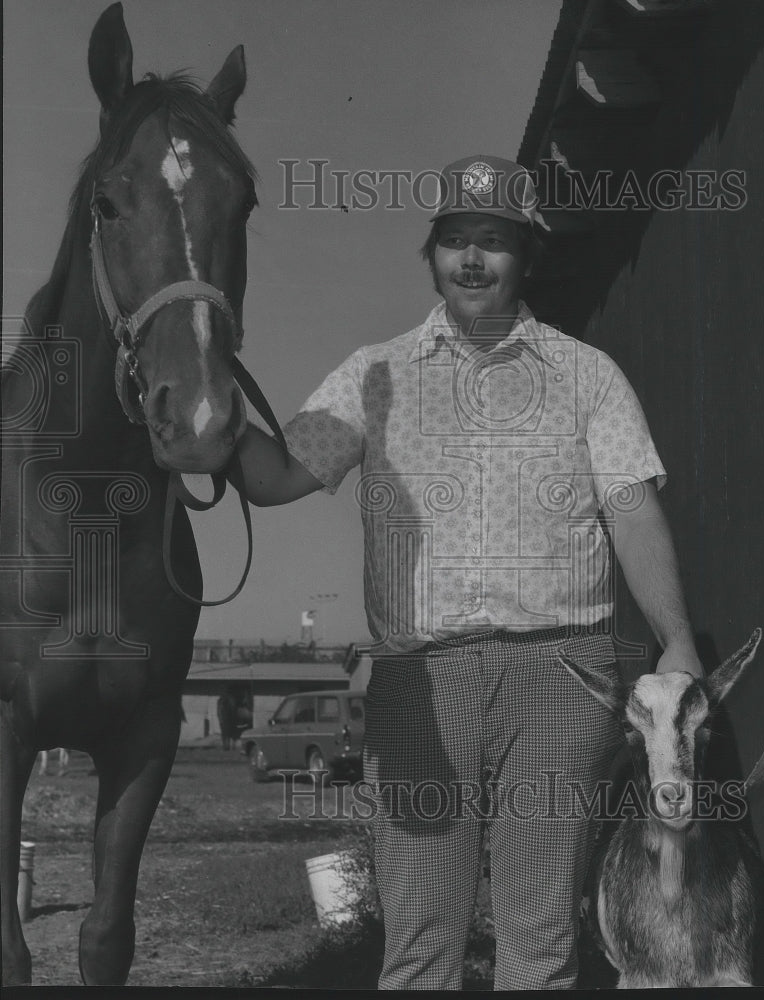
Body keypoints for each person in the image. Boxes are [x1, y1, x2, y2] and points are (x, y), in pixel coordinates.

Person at [233, 154, 703, 989]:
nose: (472, 259)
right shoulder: (373, 375)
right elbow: (273, 478)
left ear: (527, 257)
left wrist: (675, 642)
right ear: (433, 255)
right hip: (420, 680)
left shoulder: (586, 376)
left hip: (562, 678)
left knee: (538, 938)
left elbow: (632, 512)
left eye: (493, 240)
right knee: (417, 942)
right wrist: (208, 413)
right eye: (455, 240)